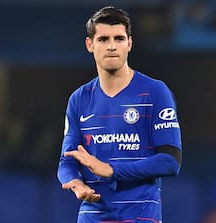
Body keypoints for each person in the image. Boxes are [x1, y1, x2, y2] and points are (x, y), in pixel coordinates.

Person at [57, 6, 182, 223]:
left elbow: (170, 161)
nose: (112, 46)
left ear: (129, 44)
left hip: (141, 216)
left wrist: (112, 170)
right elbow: (67, 161)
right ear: (90, 44)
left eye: (119, 38)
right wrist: (76, 184)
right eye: (104, 39)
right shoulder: (79, 99)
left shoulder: (155, 92)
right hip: (93, 215)